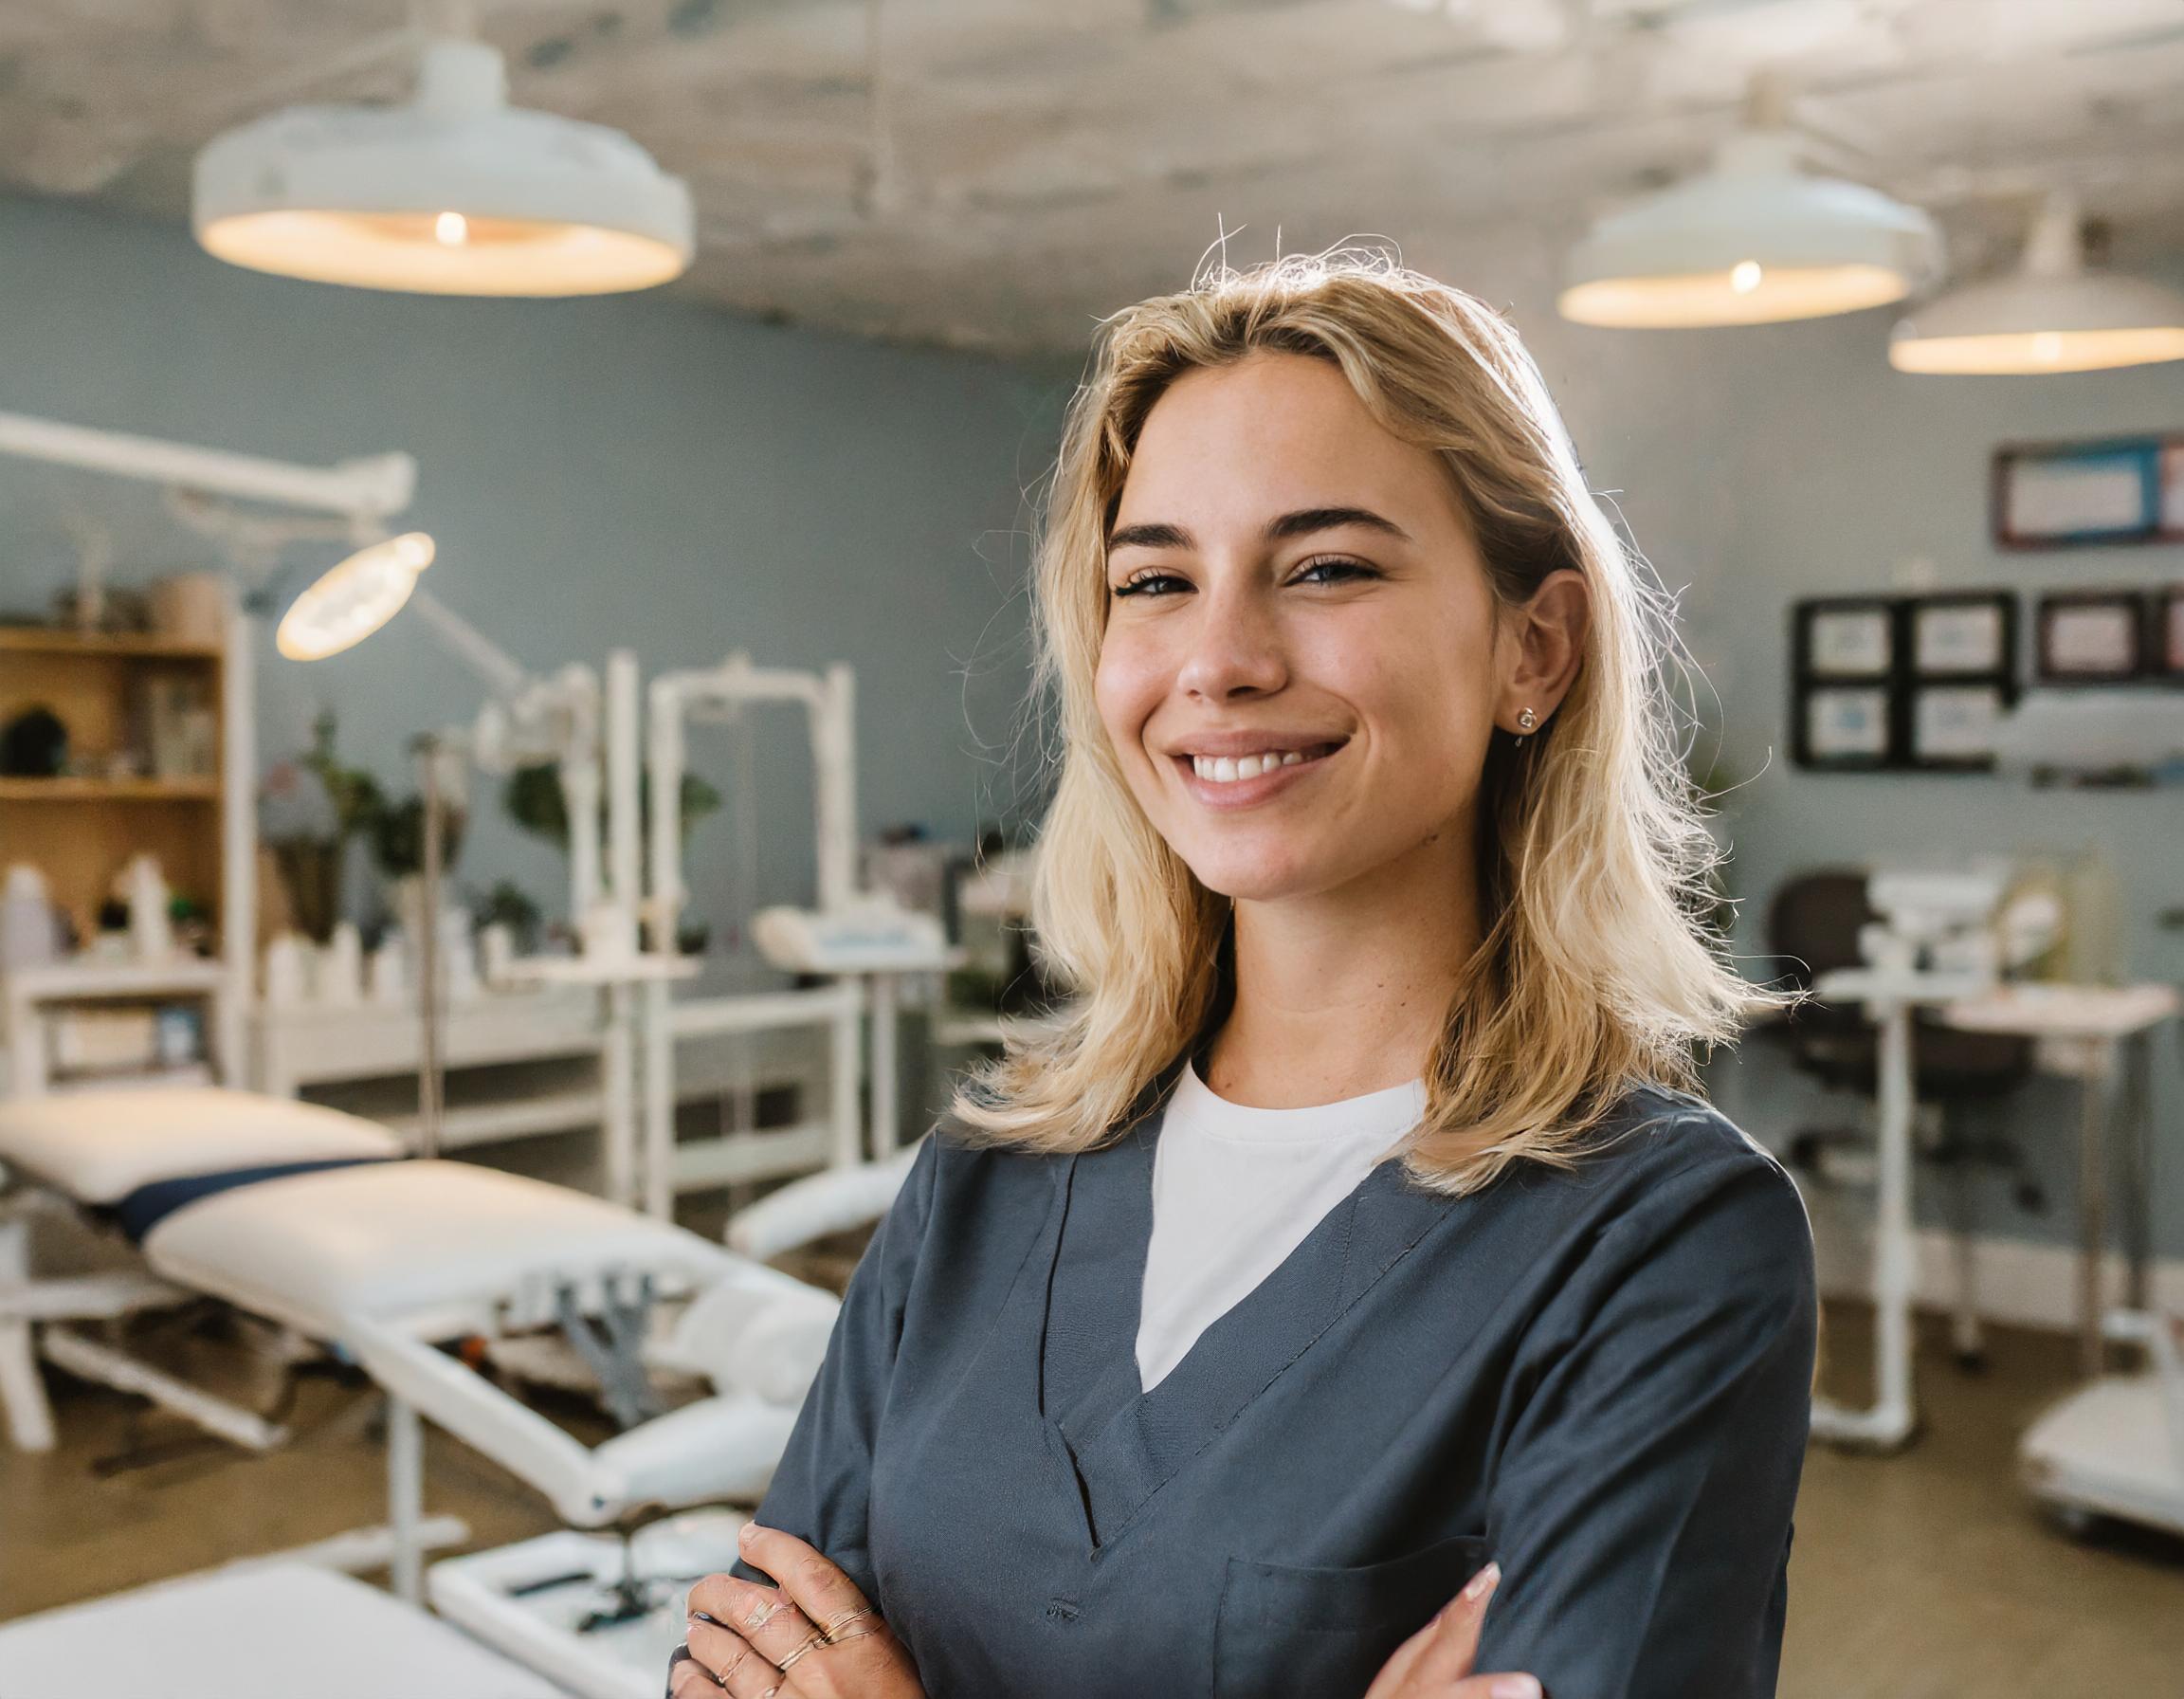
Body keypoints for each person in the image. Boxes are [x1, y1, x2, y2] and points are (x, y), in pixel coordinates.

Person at [667, 246, 1816, 1699]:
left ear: (1536, 647)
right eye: (1154, 580)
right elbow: (745, 1665)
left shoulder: (1660, 1243)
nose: (1217, 659)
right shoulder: (987, 1176)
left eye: (1326, 567)